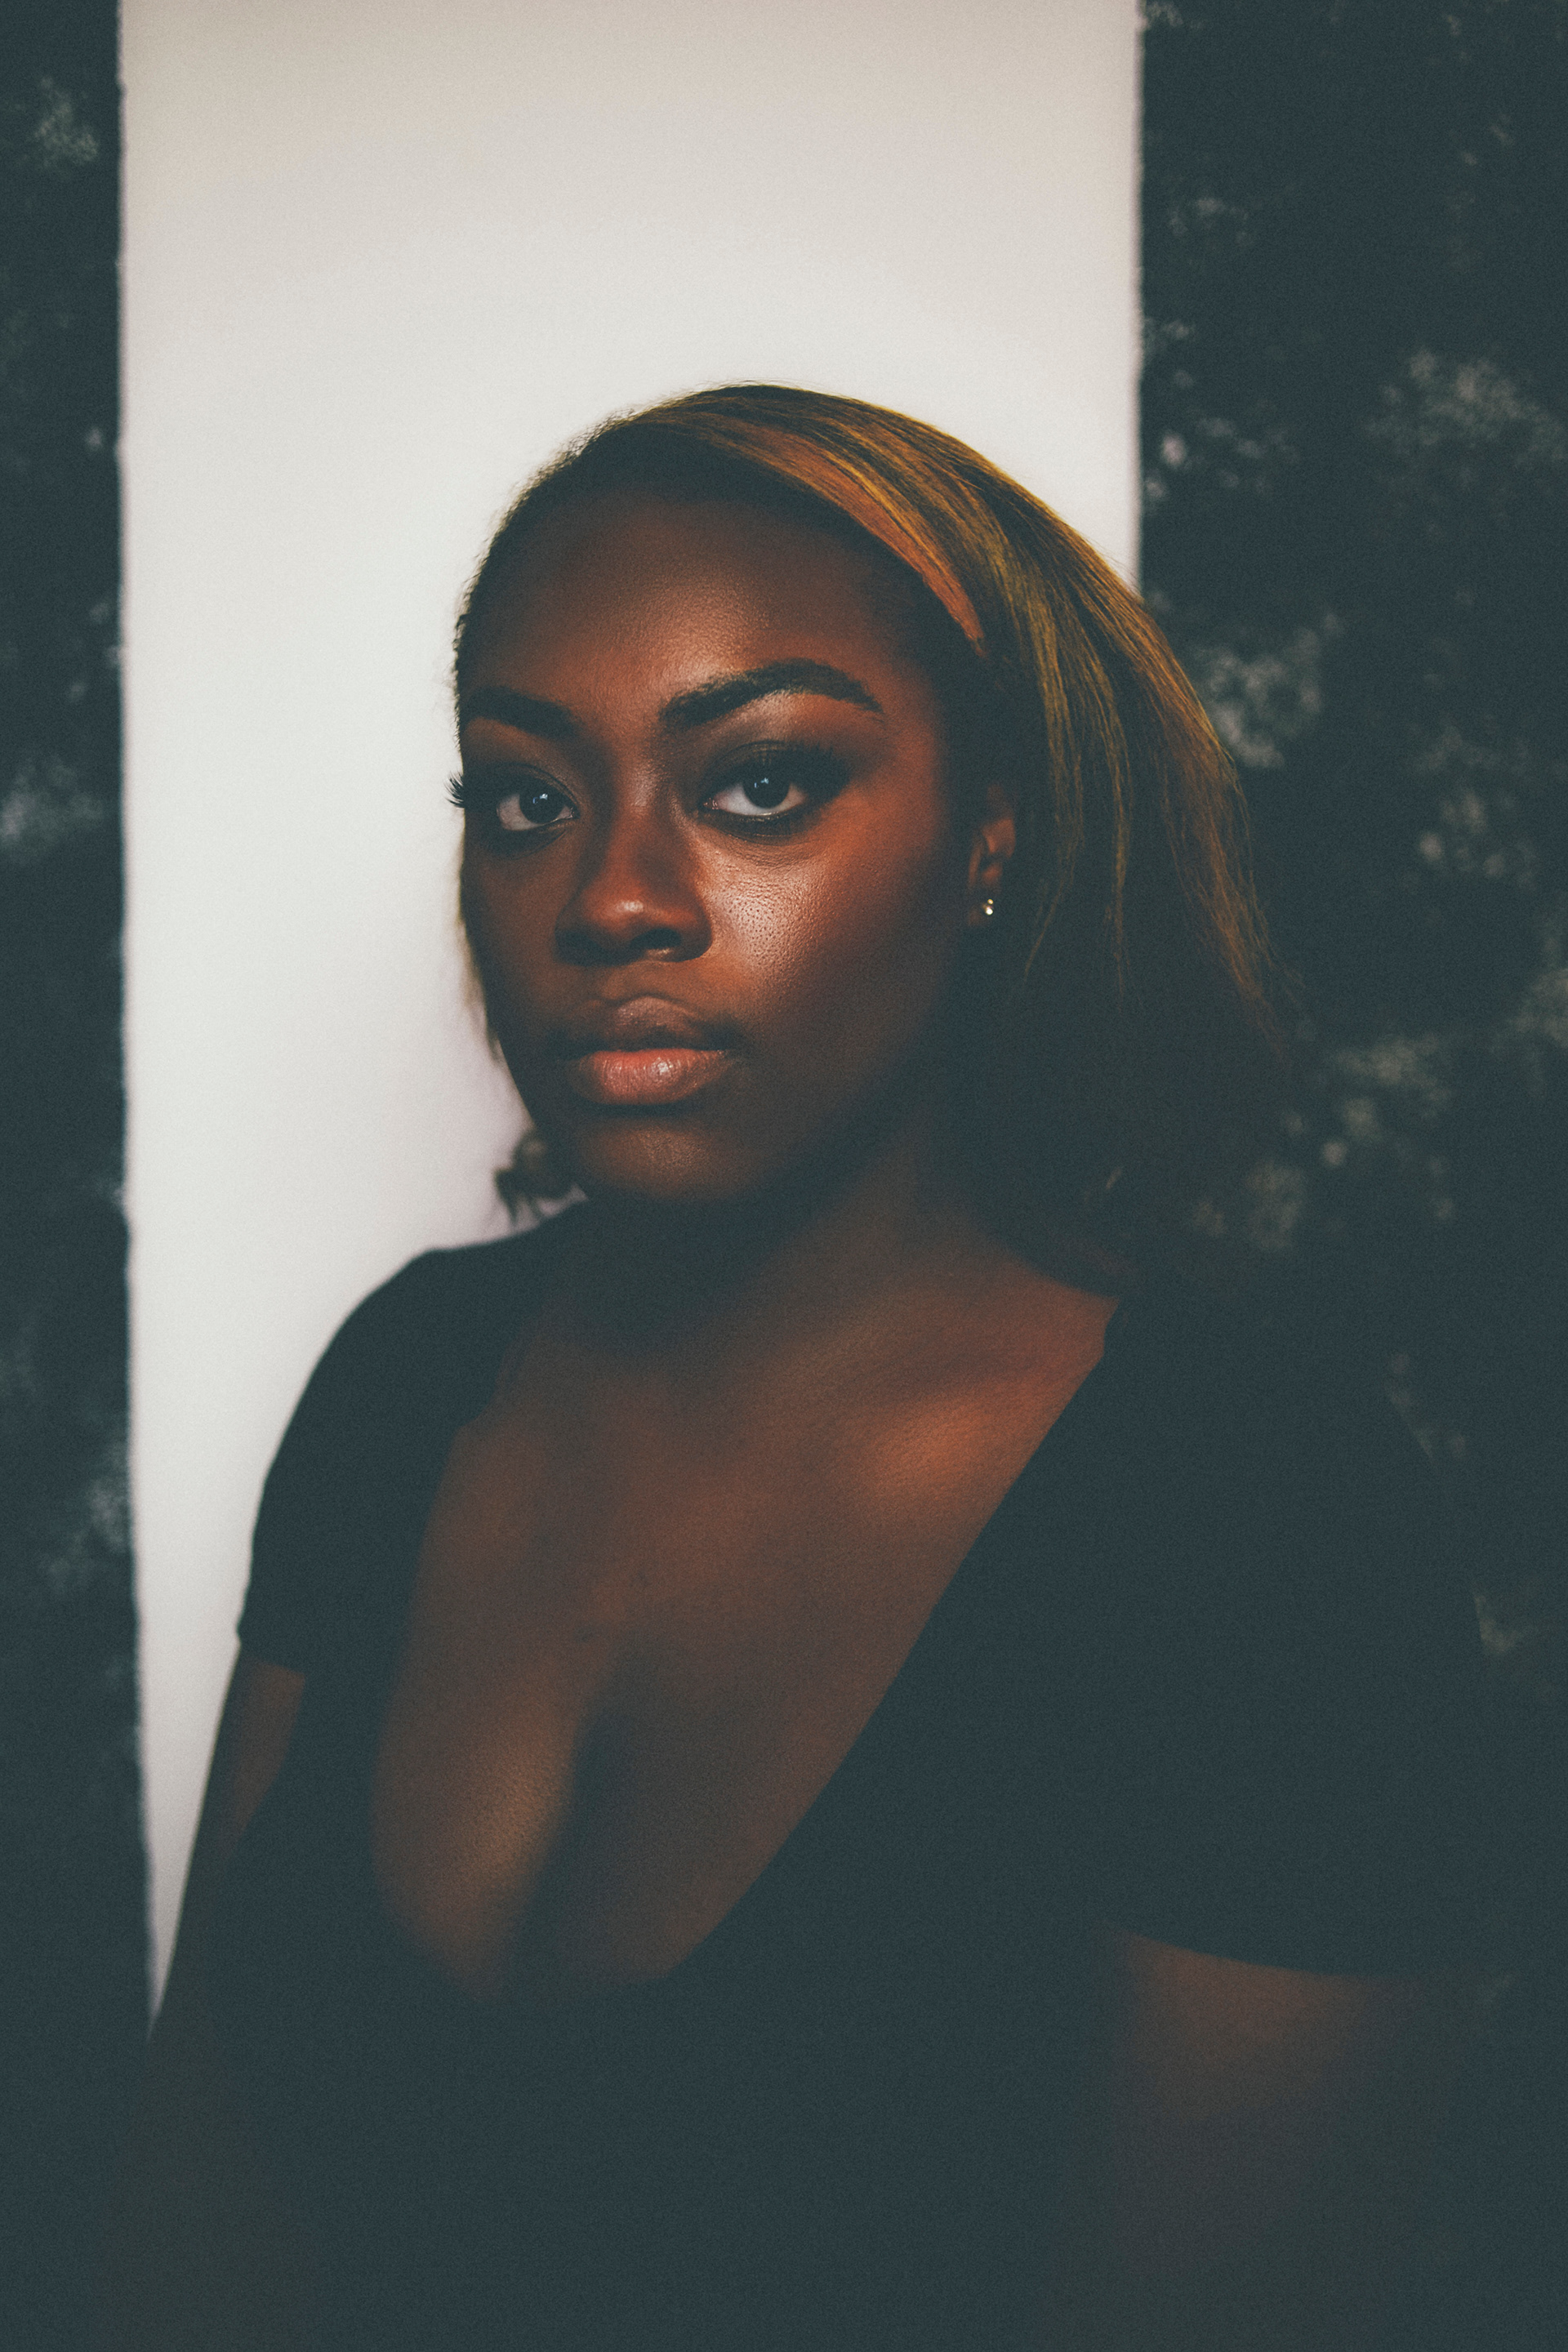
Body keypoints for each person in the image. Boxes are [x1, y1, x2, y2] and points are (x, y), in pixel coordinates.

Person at [96, 385, 1490, 2351]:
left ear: (997, 827)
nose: (613, 900)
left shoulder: (1252, 1526)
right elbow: (199, 2221)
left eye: (759, 786)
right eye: (526, 798)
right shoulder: (413, 1382)